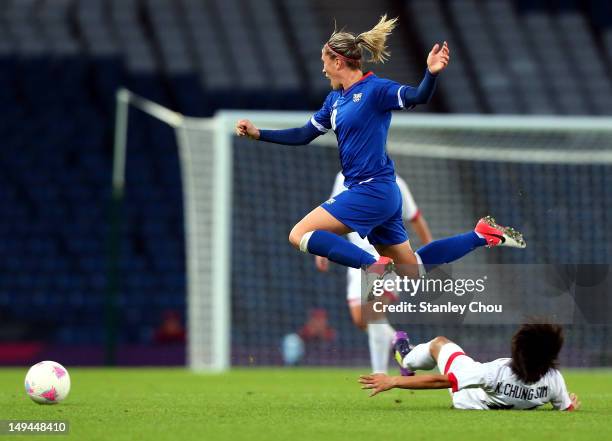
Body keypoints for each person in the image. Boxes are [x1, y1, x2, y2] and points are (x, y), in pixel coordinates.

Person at [235, 15, 525, 282]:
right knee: (413, 270)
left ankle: (373, 265)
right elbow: (303, 134)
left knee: (299, 234)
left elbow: (418, 96)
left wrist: (431, 73)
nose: (322, 70)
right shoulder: (334, 102)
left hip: (371, 190)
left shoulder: (376, 90)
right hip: (379, 193)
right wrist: (260, 134)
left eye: (324, 62)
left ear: (337, 61)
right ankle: (481, 235)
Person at [315, 171, 431, 374]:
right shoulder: (343, 178)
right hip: (356, 260)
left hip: (386, 258)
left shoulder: (396, 183)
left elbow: (415, 218)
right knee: (361, 319)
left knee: (372, 313)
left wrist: (430, 254)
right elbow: (331, 212)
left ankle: (379, 375)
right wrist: (322, 248)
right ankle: (403, 348)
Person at [359, 323, 581, 411]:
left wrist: (394, 380)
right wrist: (571, 405)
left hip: (466, 395)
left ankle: (405, 358)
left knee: (440, 343)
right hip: (479, 389)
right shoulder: (554, 381)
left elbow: (440, 380)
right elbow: (566, 407)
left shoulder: (495, 372)